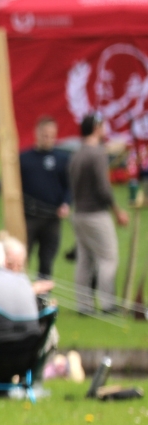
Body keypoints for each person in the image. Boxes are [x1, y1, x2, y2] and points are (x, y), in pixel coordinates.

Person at [68, 113, 129, 313]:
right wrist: (117, 211)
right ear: (96, 128)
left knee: (85, 261)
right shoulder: (96, 154)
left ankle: (83, 305)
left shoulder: (76, 154)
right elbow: (103, 189)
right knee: (108, 258)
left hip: (78, 214)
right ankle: (108, 304)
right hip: (95, 214)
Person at [20, 116, 72, 281]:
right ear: (37, 133)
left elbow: (69, 186)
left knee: (47, 260)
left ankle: (43, 299)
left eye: (52, 135)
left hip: (52, 219)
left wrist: (66, 204)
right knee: (22, 257)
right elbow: (12, 187)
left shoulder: (61, 159)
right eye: (45, 134)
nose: (48, 138)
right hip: (29, 218)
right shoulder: (24, 159)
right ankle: (21, 294)